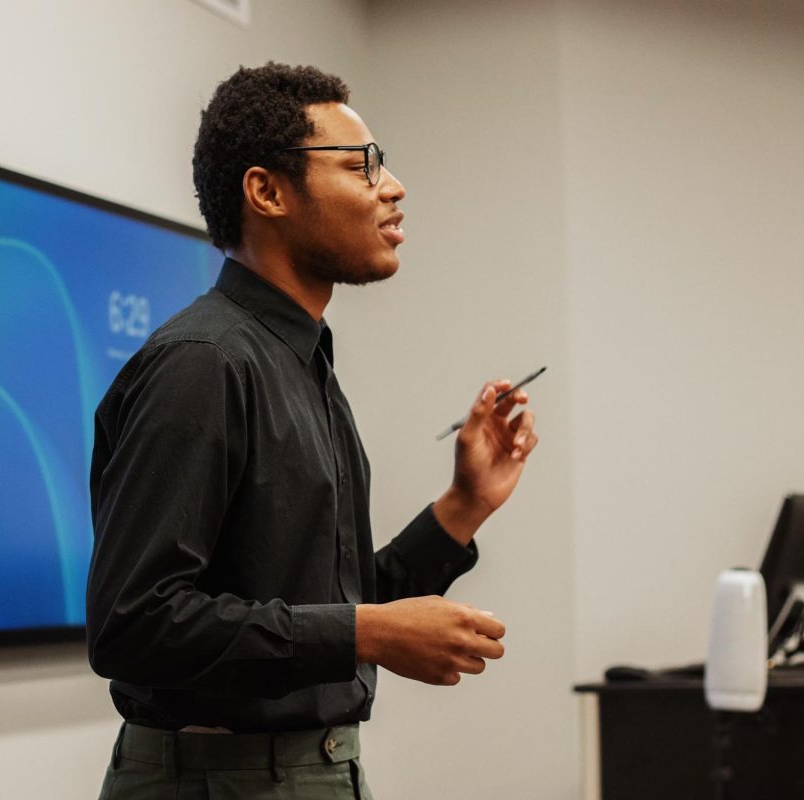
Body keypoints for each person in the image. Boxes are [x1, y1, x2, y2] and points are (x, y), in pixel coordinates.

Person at [86, 62, 539, 800]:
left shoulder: (302, 363)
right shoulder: (205, 364)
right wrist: (370, 635)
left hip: (311, 769)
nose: (391, 188)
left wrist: (463, 507)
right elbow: (134, 624)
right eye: (362, 167)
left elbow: (338, 600)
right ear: (266, 191)